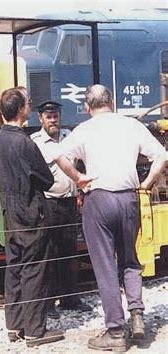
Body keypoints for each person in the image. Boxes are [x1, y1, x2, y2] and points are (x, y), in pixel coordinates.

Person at [54, 85, 166, 351]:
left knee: (105, 265)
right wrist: (147, 182)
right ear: (112, 102)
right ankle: (137, 316)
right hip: (129, 198)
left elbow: (58, 155)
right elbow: (161, 155)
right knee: (130, 258)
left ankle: (115, 331)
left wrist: (79, 178)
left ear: (87, 107)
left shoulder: (84, 129)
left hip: (99, 199)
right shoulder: (131, 126)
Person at [0, 87, 64, 347]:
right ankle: (35, 330)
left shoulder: (0, 138)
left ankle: (15, 325)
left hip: (10, 212)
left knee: (14, 267)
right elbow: (46, 179)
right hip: (30, 213)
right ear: (22, 110)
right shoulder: (25, 142)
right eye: (28, 104)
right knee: (35, 269)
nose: (30, 107)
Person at [30, 101, 91, 319]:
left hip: (69, 202)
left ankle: (70, 298)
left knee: (69, 251)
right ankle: (47, 303)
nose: (53, 120)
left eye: (56, 116)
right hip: (48, 203)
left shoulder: (70, 137)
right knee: (48, 254)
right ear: (40, 119)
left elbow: (81, 163)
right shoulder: (35, 142)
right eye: (49, 117)